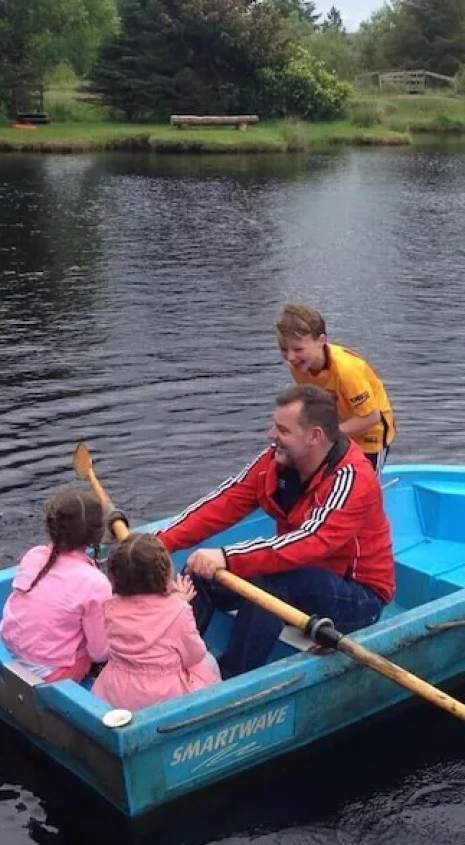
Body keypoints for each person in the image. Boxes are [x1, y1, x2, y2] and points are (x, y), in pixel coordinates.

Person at [157, 384, 395, 679]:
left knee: (270, 583)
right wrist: (158, 543)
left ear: (314, 436)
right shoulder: (275, 460)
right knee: (198, 575)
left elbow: (312, 541)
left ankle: (229, 682)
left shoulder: (353, 478)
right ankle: (165, 667)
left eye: (282, 430)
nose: (271, 435)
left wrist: (227, 556)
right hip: (298, 573)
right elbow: (225, 501)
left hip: (358, 596)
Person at [92, 533, 222, 711]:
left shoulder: (110, 606)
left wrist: (176, 602)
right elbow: (194, 655)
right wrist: (181, 604)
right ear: (164, 573)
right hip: (163, 695)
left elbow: (146, 615)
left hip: (116, 689)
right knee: (210, 662)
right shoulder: (179, 611)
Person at [0, 488, 112, 683]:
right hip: (51, 673)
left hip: (5, 650)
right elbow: (100, 653)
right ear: (97, 535)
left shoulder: (34, 555)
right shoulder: (95, 583)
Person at [274, 303, 396, 470]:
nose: (290, 357)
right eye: (284, 349)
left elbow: (371, 417)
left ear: (321, 341)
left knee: (364, 486)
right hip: (340, 428)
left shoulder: (347, 370)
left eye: (298, 349)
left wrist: (328, 434)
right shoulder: (299, 366)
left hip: (371, 434)